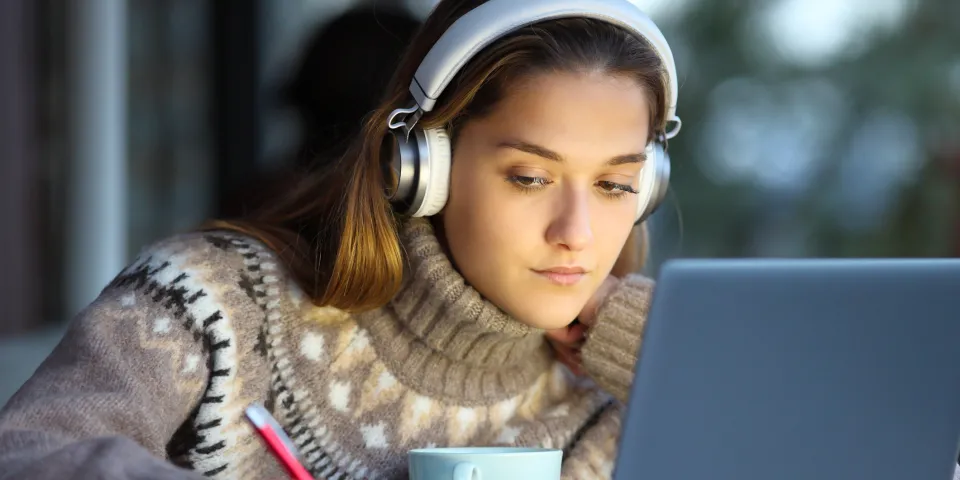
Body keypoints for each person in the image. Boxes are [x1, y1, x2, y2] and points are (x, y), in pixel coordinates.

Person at [0, 0, 680, 478]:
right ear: (421, 166)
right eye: (530, 178)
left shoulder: (618, 407)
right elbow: (24, 454)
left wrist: (675, 356)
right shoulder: (211, 301)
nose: (576, 234)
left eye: (616, 186)